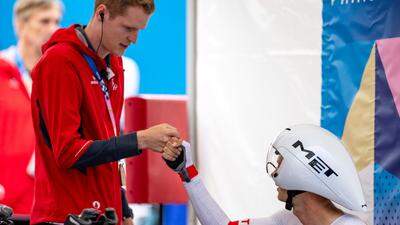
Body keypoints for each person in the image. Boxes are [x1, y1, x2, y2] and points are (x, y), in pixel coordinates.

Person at [29, 0, 181, 224]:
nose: (134, 39)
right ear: (102, 13)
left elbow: (106, 147)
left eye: (139, 30)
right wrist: (140, 140)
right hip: (64, 216)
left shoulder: (115, 63)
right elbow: (69, 152)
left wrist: (124, 210)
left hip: (105, 214)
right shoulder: (59, 62)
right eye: (128, 28)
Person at [164, 124, 368, 225]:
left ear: (303, 174)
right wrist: (186, 170)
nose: (276, 168)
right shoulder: (289, 220)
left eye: (281, 162)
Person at [0, 0, 63, 215]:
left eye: (57, 21)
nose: (53, 29)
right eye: (44, 21)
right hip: (5, 204)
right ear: (20, 25)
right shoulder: (2, 70)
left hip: (45, 206)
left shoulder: (62, 78)